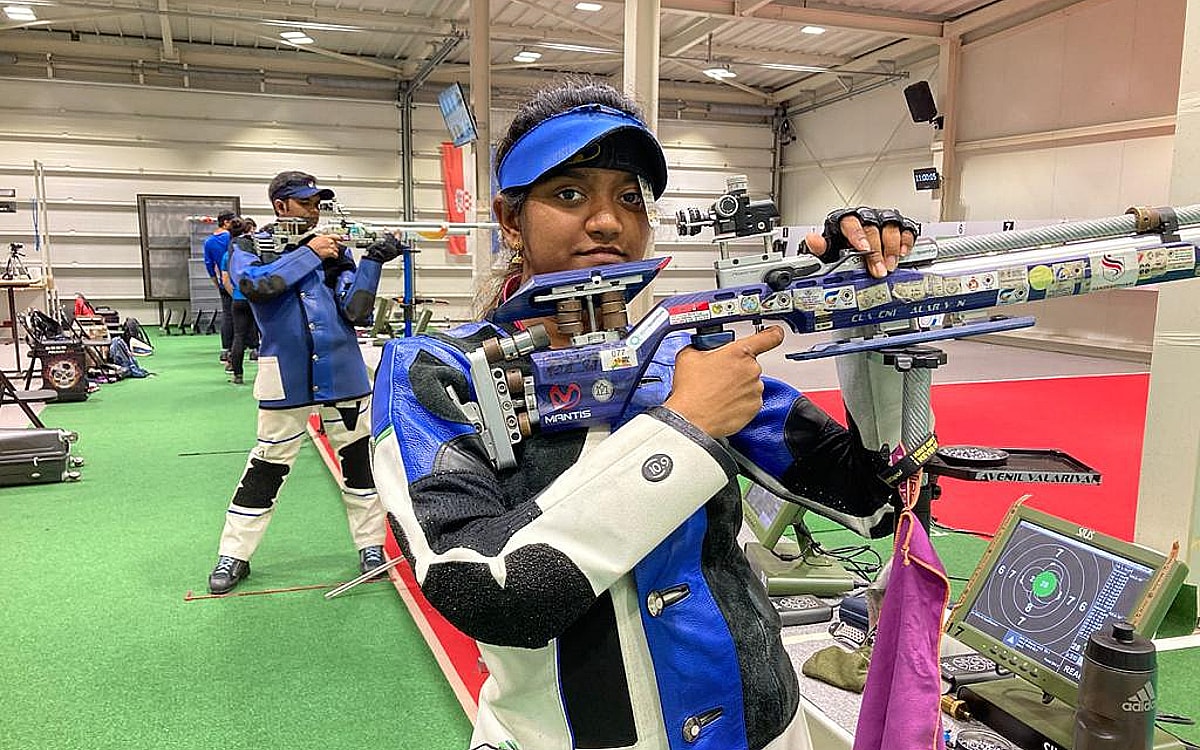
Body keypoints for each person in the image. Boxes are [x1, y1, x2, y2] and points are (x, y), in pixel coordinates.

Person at [371, 80, 918, 750]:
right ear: (510, 218)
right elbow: (485, 588)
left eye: (629, 197)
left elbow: (877, 492)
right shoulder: (435, 372)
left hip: (766, 729)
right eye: (570, 194)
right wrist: (684, 426)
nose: (608, 221)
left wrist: (873, 325)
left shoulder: (679, 352)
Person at [206, 171, 407, 595]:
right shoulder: (250, 246)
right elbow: (255, 286)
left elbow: (356, 312)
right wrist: (311, 254)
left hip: (344, 375)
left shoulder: (336, 254)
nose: (314, 211)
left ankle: (371, 546)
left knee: (359, 465)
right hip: (285, 379)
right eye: (305, 203)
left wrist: (371, 262)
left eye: (317, 204)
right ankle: (234, 554)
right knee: (265, 469)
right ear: (280, 207)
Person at [218, 217, 256, 385]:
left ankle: (237, 374)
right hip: (255, 299)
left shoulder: (227, 255)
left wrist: (235, 294)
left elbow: (225, 280)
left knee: (238, 336)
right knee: (264, 335)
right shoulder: (252, 252)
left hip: (238, 299)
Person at [202, 210, 236, 364]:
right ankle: (253, 348)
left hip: (223, 281)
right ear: (226, 222)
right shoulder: (232, 238)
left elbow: (209, 265)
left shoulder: (209, 242)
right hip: (238, 280)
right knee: (247, 314)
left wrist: (217, 282)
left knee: (227, 315)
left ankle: (226, 350)